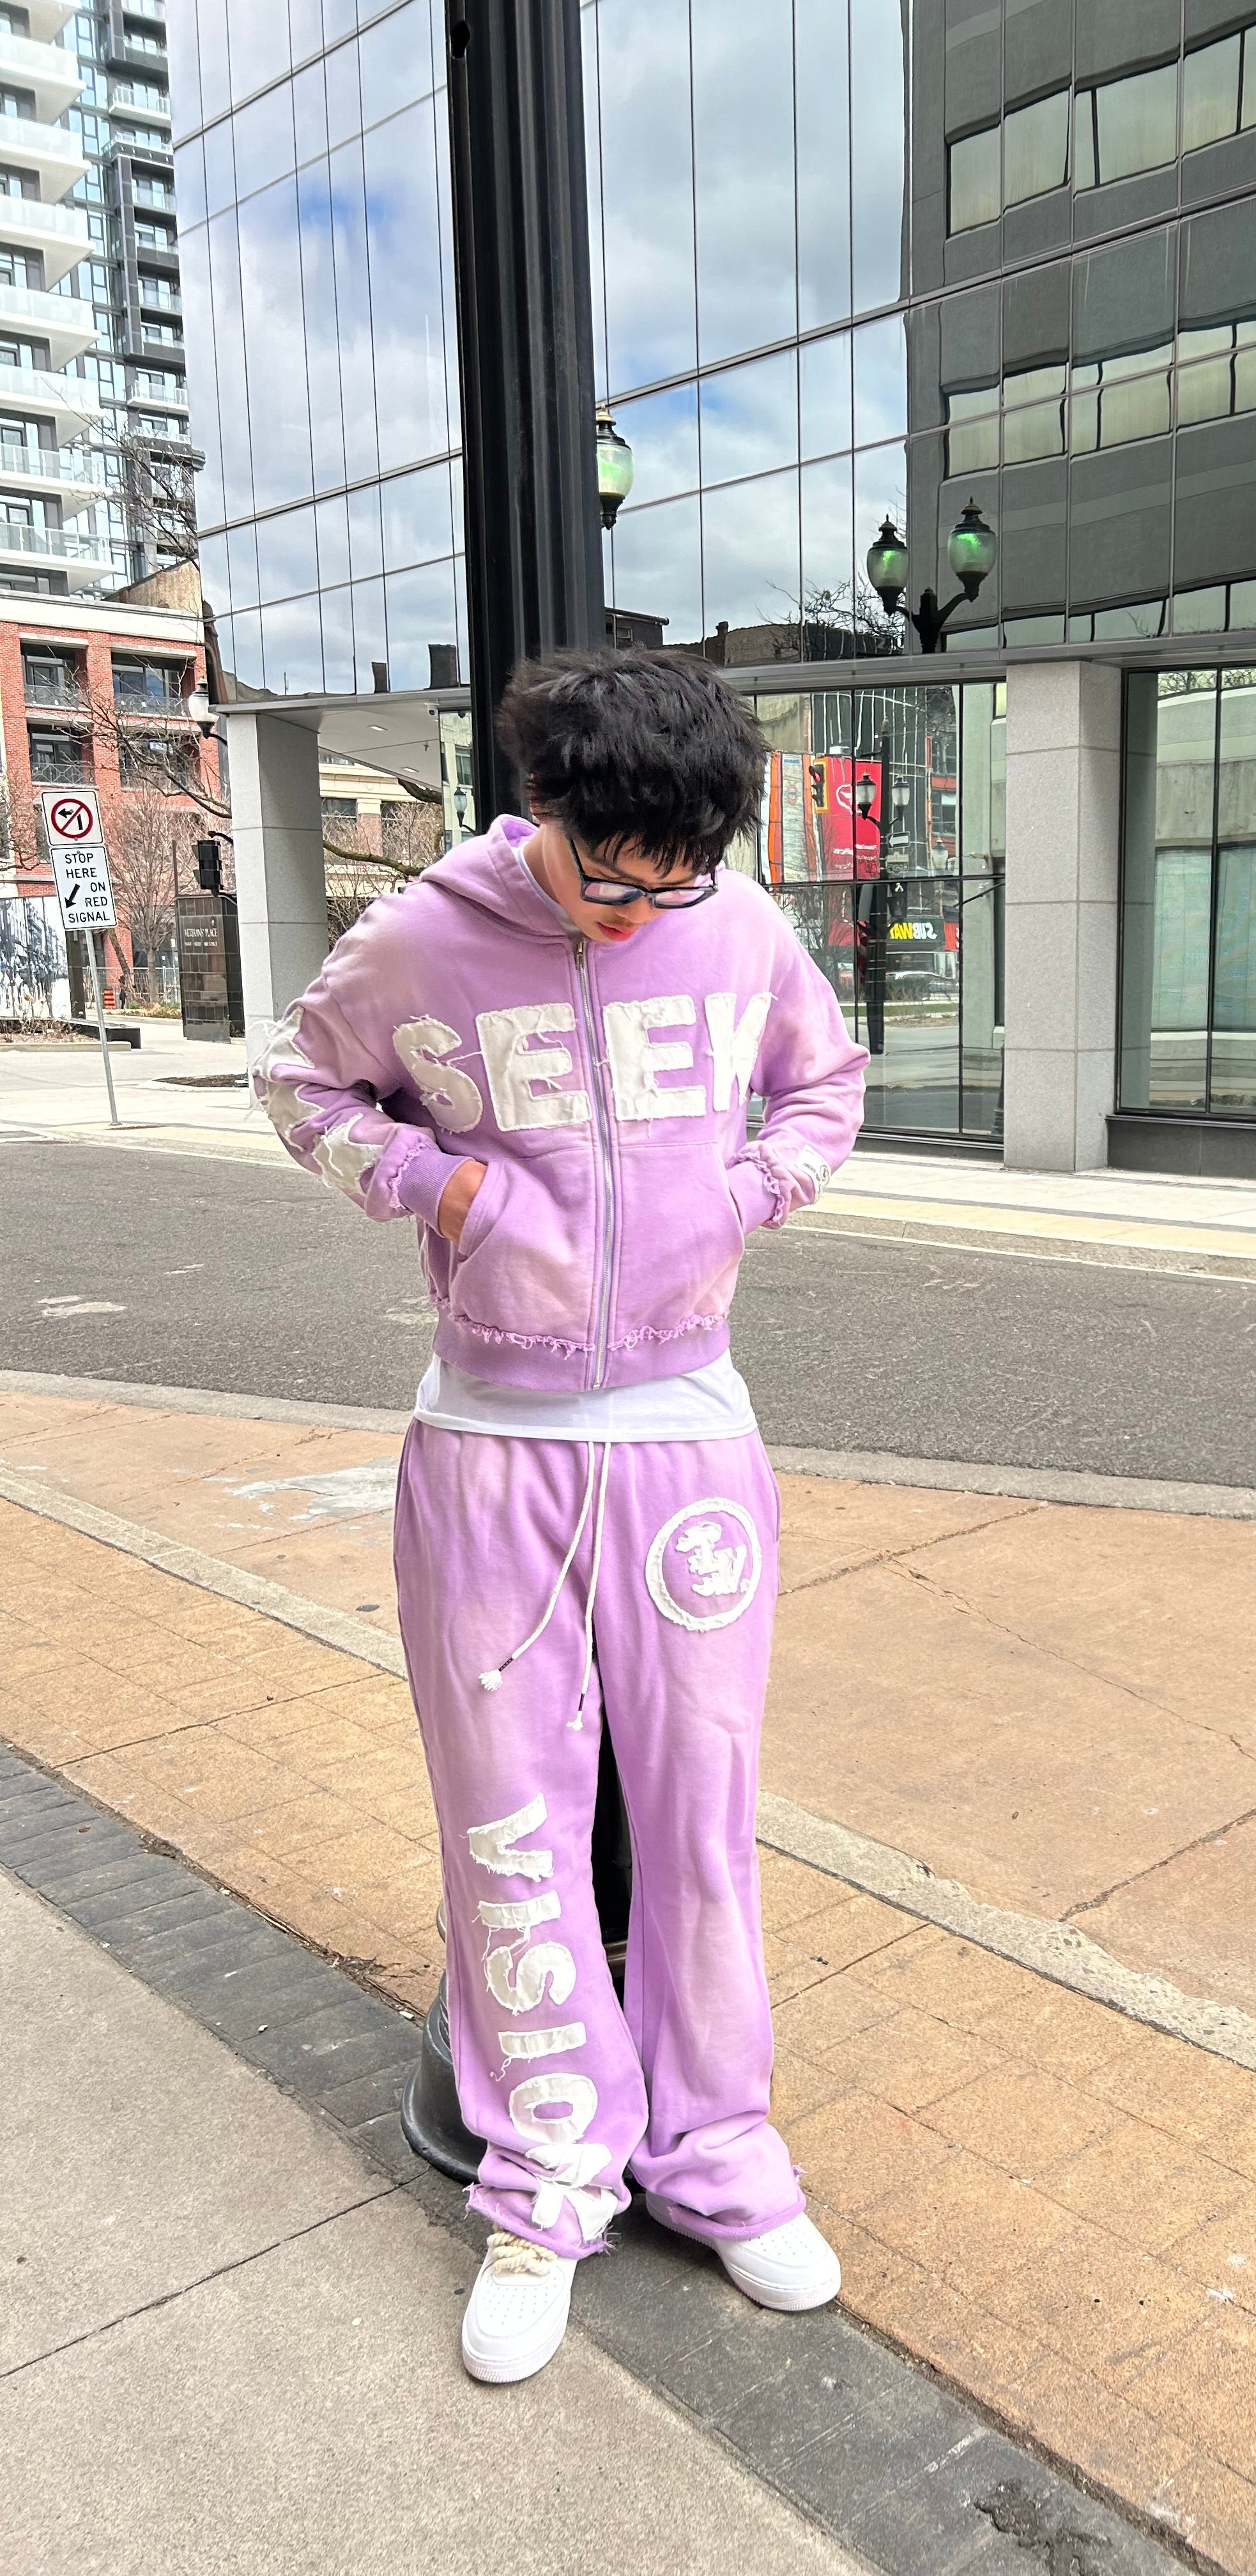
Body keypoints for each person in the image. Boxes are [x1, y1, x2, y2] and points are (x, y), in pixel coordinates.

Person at [253, 649, 868, 2384]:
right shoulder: (419, 943)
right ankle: (545, 2182)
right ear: (546, 808)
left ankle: (718, 2151)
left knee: (701, 1813)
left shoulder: (737, 930)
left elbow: (827, 1082)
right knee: (510, 1823)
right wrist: (439, 1183)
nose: (637, 911)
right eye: (612, 876)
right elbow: (300, 1084)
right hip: (490, 1445)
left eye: (675, 880)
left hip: (687, 1435)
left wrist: (750, 1191)